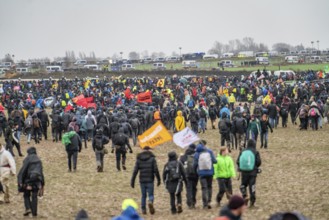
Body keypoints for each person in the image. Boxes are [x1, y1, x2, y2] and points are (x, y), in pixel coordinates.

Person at [131, 146, 161, 215]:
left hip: (142, 180)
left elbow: (135, 171)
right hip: (150, 180)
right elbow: (156, 170)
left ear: (143, 150)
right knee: (151, 194)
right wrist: (158, 179)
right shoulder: (152, 159)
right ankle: (150, 201)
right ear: (149, 150)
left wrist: (132, 181)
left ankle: (143, 209)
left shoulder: (139, 159)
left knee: (143, 195)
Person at [17, 147, 45, 217]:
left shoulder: (27, 159)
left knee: (26, 195)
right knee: (34, 196)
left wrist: (20, 181)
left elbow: (23, 171)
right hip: (37, 181)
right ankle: (34, 213)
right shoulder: (39, 160)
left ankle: (28, 208)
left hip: (28, 181)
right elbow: (41, 172)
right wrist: (43, 183)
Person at [237, 139, 261, 207]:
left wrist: (241, 167)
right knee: (252, 186)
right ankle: (252, 202)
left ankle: (245, 196)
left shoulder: (243, 151)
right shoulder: (255, 152)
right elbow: (259, 162)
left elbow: (238, 161)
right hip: (252, 172)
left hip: (244, 172)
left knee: (243, 185)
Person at [193, 141, 217, 209]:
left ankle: (205, 204)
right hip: (210, 172)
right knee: (209, 187)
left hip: (201, 173)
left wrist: (195, 171)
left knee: (204, 188)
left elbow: (194, 164)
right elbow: (215, 161)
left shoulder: (197, 153)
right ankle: (209, 201)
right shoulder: (209, 151)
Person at [179, 144, 198, 209]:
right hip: (195, 175)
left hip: (186, 175)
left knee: (188, 189)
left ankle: (189, 203)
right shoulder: (195, 155)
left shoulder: (183, 157)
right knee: (194, 188)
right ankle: (193, 202)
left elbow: (180, 166)